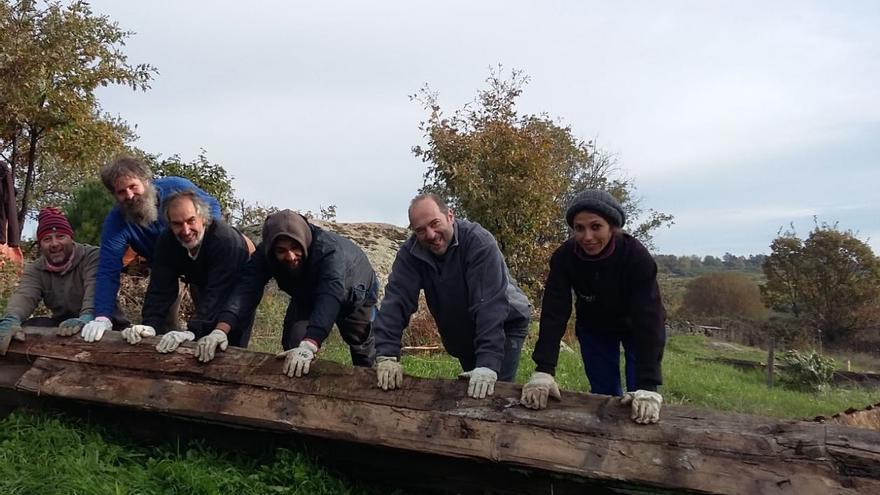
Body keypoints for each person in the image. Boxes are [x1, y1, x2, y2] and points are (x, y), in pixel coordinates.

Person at [520, 189, 666, 424]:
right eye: (579, 228)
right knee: (603, 395)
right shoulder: (565, 258)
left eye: (596, 227)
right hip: (595, 328)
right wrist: (544, 369)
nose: (587, 236)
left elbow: (649, 316)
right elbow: (554, 312)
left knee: (640, 395)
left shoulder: (636, 257)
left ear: (612, 227)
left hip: (637, 328)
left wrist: (648, 384)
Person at [373, 193, 531, 399]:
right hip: (462, 329)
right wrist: (387, 354)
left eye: (434, 223)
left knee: (493, 395)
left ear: (450, 216)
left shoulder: (478, 242)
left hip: (505, 322)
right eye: (420, 230)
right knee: (470, 393)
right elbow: (396, 301)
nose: (430, 234)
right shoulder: (411, 254)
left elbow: (489, 306)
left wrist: (487, 364)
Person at [216, 209, 378, 375]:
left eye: (295, 247)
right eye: (281, 251)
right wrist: (221, 329)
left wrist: (312, 342)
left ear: (304, 240)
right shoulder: (265, 254)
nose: (291, 256)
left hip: (354, 290)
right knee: (295, 343)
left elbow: (330, 296)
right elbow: (247, 288)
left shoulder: (329, 252)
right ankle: (299, 392)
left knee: (361, 346)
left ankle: (372, 389)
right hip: (307, 292)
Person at [80, 155, 222, 343]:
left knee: (210, 312)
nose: (129, 195)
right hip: (164, 268)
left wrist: (206, 249)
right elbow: (108, 270)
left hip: (200, 258)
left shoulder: (176, 187)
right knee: (160, 322)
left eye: (133, 187)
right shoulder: (116, 222)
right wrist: (102, 317)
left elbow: (213, 211)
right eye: (121, 192)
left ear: (146, 181)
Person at [120, 191, 256, 363]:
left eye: (190, 221)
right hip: (202, 284)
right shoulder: (167, 241)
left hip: (236, 290)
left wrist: (193, 330)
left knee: (228, 347)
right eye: (177, 224)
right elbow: (160, 288)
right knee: (198, 346)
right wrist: (150, 325)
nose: (185, 230)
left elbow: (219, 293)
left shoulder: (225, 240)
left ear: (203, 218)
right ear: (169, 224)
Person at [0, 208, 121, 354]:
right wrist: (11, 318)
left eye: (60, 236)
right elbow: (25, 295)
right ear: (40, 244)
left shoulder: (92, 256)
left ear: (71, 238)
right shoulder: (36, 269)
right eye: (47, 239)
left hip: (104, 323)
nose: (54, 243)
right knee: (27, 327)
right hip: (64, 327)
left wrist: (87, 317)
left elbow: (95, 289)